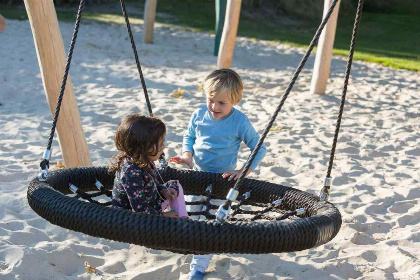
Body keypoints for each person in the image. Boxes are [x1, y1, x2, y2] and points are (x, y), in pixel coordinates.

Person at [170, 68, 267, 280]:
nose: (214, 107)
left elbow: (259, 148)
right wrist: (187, 156)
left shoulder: (239, 121)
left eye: (221, 103)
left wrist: (243, 170)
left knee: (209, 223)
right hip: (196, 177)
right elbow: (189, 137)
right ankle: (195, 249)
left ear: (236, 100)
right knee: (191, 216)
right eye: (210, 100)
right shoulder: (199, 114)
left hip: (222, 183)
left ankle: (198, 267)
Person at [110, 114, 188, 218]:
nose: (163, 147)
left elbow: (150, 186)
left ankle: (182, 218)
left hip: (149, 204)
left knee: (175, 186)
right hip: (131, 219)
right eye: (160, 144)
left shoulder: (145, 160)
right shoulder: (130, 172)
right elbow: (140, 211)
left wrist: (163, 190)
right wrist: (164, 215)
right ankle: (179, 224)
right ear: (144, 147)